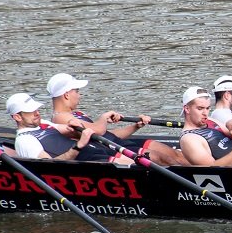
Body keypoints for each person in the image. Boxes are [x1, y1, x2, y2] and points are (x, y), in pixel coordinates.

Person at [45, 70, 178, 165]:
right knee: (161, 158)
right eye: (77, 91)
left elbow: (107, 134)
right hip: (109, 151)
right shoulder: (60, 118)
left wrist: (135, 126)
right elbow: (97, 131)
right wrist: (103, 118)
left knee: (172, 155)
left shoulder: (78, 114)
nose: (79, 95)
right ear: (67, 94)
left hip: (118, 143)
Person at [7, 92, 127, 163]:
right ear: (17, 117)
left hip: (94, 152)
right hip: (85, 164)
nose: (37, 113)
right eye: (31, 111)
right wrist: (78, 146)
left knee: (138, 159)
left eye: (36, 109)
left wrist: (73, 124)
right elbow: (49, 167)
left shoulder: (43, 123)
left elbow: (67, 129)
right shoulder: (24, 141)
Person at [176, 85, 232, 168]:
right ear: (187, 109)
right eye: (200, 108)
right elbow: (212, 169)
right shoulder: (189, 139)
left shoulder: (210, 121)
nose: (205, 113)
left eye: (207, 108)